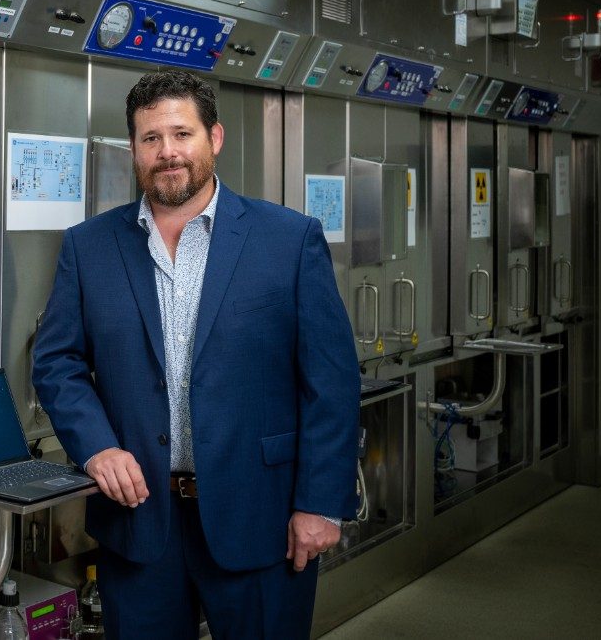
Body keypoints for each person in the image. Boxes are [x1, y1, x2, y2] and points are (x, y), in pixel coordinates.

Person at [32, 70, 359, 638]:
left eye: (182, 134)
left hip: (263, 516)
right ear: (133, 147)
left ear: (215, 138)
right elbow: (56, 361)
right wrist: (97, 446)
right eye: (150, 138)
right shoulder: (89, 246)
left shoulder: (288, 240)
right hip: (140, 523)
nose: (167, 153)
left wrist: (321, 503)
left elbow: (330, 382)